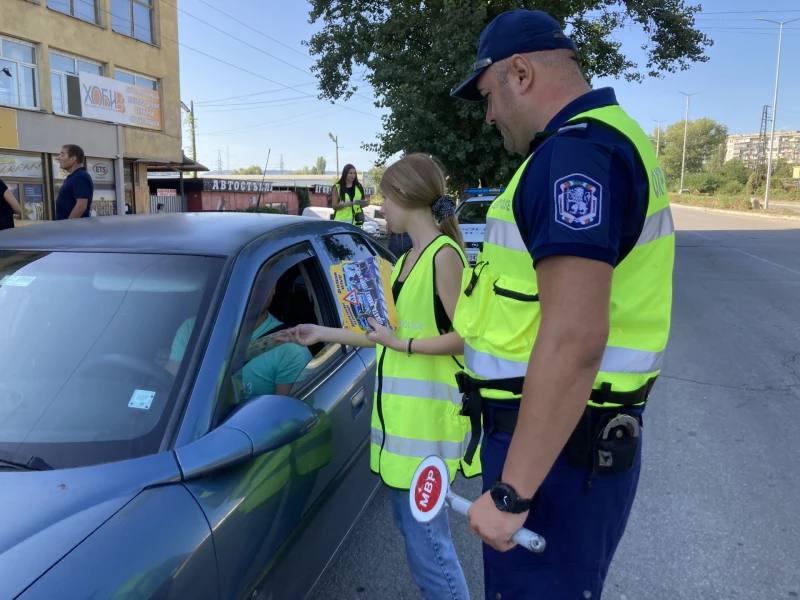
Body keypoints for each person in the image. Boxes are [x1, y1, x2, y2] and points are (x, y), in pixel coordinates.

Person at [449, 9, 675, 600]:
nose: (490, 115)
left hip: (554, 456)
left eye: (488, 96)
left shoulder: (573, 158)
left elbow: (574, 336)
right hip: (569, 445)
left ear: (518, 72)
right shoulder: (603, 141)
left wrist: (511, 492)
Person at [285, 153, 480, 600]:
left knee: (429, 548)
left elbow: (469, 342)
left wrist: (404, 346)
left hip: (428, 433)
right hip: (403, 431)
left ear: (407, 196)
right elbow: (386, 334)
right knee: (417, 539)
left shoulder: (442, 257)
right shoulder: (410, 256)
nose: (378, 204)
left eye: (384, 195)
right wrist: (322, 331)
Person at [167, 282, 312, 398]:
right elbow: (169, 390)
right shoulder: (193, 330)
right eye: (240, 282)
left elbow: (285, 420)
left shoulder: (289, 346)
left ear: (273, 288)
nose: (250, 291)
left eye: (259, 284)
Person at [55, 144, 93, 220]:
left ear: (72, 159)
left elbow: (81, 205)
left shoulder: (80, 177)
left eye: (62, 155)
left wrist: (68, 225)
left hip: (73, 229)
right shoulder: (74, 177)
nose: (58, 158)